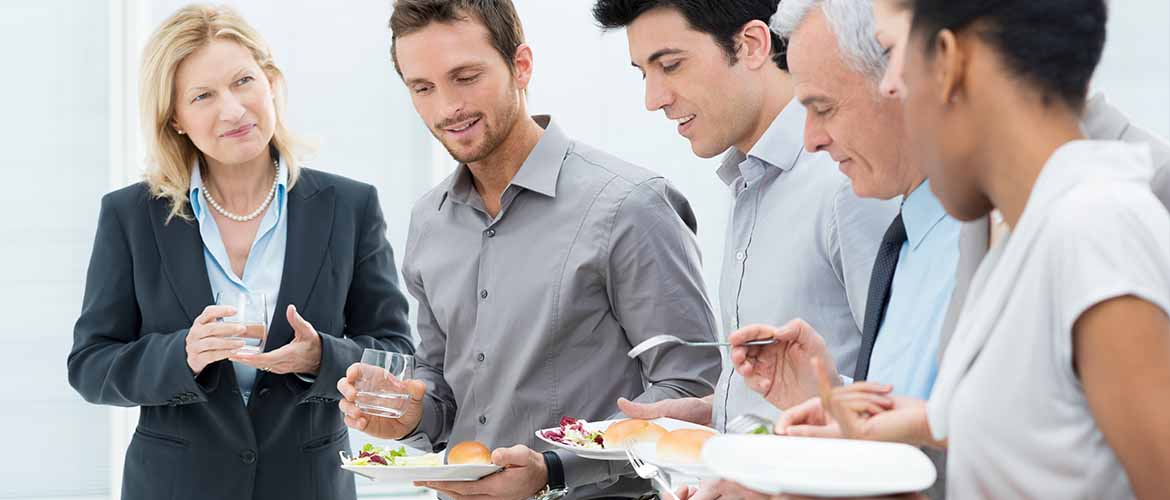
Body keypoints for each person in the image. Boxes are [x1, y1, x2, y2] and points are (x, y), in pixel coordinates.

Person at [781, 0, 1170, 497]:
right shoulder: (1020, 233)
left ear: (948, 59)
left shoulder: (1094, 225)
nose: (891, 83)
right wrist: (917, 430)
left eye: (892, 50)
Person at [337, 1, 722, 499]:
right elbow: (443, 386)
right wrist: (411, 414)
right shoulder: (428, 220)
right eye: (423, 88)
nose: (446, 108)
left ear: (521, 65)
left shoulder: (630, 206)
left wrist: (555, 468)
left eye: (465, 77)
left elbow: (691, 390)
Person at [66, 5, 413, 500]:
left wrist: (323, 358)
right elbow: (90, 366)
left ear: (271, 83)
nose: (232, 109)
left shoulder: (350, 207)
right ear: (176, 119)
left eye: (243, 81)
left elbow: (397, 353)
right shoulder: (130, 215)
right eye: (203, 96)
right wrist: (181, 354)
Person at [591, 0, 895, 434]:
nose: (652, 99)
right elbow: (789, 387)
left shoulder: (846, 180)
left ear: (751, 45)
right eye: (644, 73)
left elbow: (903, 396)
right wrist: (717, 411)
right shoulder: (749, 179)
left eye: (671, 66)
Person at [729, 0, 961, 414]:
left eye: (824, 108)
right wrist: (828, 399)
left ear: (902, 76)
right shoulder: (907, 245)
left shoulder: (981, 242)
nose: (811, 139)